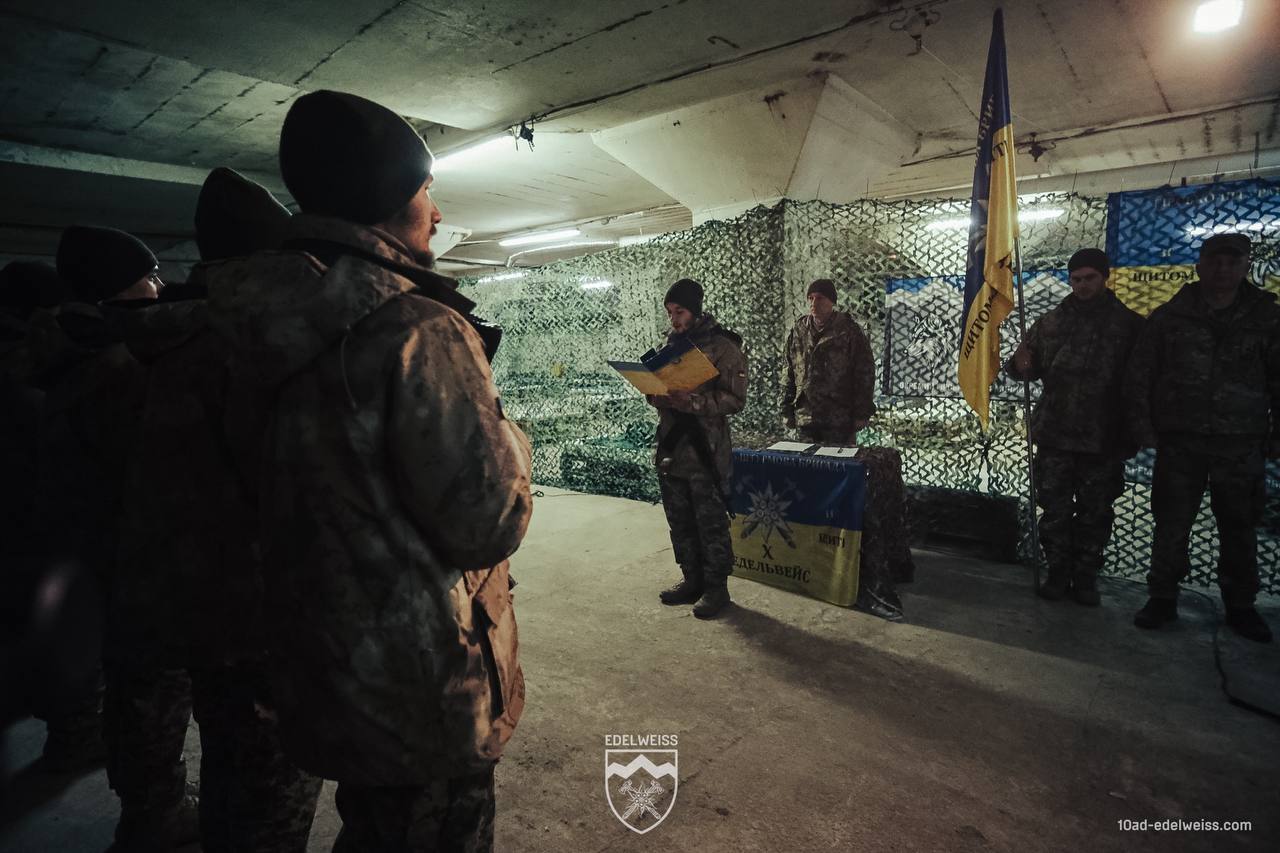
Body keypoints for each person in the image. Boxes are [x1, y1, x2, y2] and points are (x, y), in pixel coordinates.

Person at [205, 90, 533, 851]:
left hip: (322, 660)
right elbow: (489, 520)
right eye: (426, 190)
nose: (437, 213)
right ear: (388, 195)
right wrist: (511, 435)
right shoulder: (419, 327)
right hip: (423, 685)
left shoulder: (239, 323)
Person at [109, 167, 320, 853]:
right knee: (268, 777)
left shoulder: (160, 341)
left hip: (188, 588)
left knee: (227, 748)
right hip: (260, 601)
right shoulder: (256, 345)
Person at [1126, 233, 1279, 643]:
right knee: (1171, 523)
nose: (1223, 269)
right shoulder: (1169, 317)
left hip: (1240, 442)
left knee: (1239, 526)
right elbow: (1141, 374)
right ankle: (1162, 596)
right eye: (1215, 261)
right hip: (1181, 441)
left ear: (1246, 266)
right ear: (1199, 266)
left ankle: (1241, 605)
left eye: (1232, 262)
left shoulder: (1267, 317)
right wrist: (1143, 427)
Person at [1005, 249, 1144, 605]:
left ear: (1105, 277)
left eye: (1090, 278)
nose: (1082, 285)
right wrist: (1018, 364)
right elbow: (1025, 368)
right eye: (1076, 279)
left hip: (1104, 437)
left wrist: (1137, 430)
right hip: (1057, 435)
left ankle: (1085, 578)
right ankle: (1057, 572)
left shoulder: (1129, 325)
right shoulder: (1050, 323)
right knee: (1055, 511)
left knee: (1095, 513)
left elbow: (1144, 381)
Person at [782, 278, 913, 612]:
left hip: (838, 419)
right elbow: (790, 371)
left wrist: (861, 412)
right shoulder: (798, 330)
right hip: (807, 418)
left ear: (833, 301)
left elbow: (864, 372)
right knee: (807, 484)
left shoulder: (849, 332)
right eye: (810, 297)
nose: (814, 303)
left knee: (838, 485)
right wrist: (787, 409)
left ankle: (840, 552)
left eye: (821, 298)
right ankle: (810, 548)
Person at [650, 277, 747, 619]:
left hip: (705, 451)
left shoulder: (723, 347)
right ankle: (691, 579)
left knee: (710, 522)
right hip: (672, 449)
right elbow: (661, 391)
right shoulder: (669, 347)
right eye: (669, 312)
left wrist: (693, 402)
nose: (673, 319)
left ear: (695, 310)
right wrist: (655, 396)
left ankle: (716, 588)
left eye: (679, 311)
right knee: (680, 520)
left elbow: (735, 400)